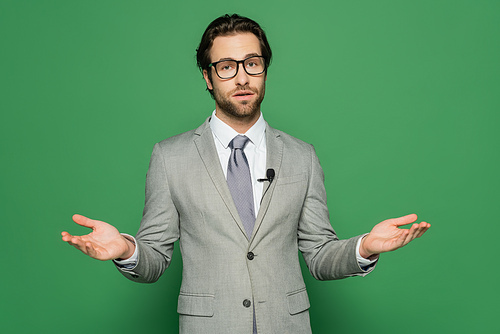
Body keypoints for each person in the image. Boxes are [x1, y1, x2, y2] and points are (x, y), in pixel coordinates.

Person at [62, 14, 430, 334]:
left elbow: (319, 255)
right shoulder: (169, 157)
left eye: (252, 63)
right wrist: (125, 249)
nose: (241, 77)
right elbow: (155, 259)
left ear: (265, 68)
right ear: (208, 77)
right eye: (226, 66)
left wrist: (364, 247)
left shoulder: (302, 156)